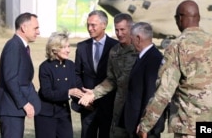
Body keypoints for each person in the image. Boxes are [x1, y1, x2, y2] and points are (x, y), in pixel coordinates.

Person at [137, 0, 212, 138]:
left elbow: (164, 92)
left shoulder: (177, 47)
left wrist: (145, 125)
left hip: (188, 129)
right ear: (199, 18)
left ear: (180, 18)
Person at [79, 13, 137, 138]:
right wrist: (94, 93)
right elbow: (111, 80)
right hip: (118, 110)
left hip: (136, 108)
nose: (119, 33)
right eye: (117, 30)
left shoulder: (140, 49)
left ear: (131, 29)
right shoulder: (114, 51)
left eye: (123, 30)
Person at [0, 12, 41, 138]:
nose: (38, 32)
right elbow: (10, 79)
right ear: (24, 28)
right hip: (10, 110)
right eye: (35, 28)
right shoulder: (13, 46)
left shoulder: (21, 46)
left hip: (13, 110)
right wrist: (24, 103)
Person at [72, 10, 118, 138]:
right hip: (88, 107)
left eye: (93, 25)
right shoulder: (82, 47)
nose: (89, 28)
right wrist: (83, 96)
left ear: (104, 25)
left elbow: (116, 76)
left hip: (108, 105)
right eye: (88, 25)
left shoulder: (115, 47)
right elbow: (76, 74)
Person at [34, 31, 83, 138]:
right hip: (46, 115)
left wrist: (86, 96)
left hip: (64, 114)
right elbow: (47, 93)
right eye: (64, 47)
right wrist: (68, 93)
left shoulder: (70, 65)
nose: (68, 50)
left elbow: (77, 85)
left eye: (69, 46)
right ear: (54, 49)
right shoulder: (45, 67)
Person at [124, 22, 165, 138]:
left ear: (138, 38)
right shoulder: (144, 57)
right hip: (138, 125)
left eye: (131, 39)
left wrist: (145, 125)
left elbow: (151, 95)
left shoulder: (153, 59)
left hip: (145, 129)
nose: (130, 42)